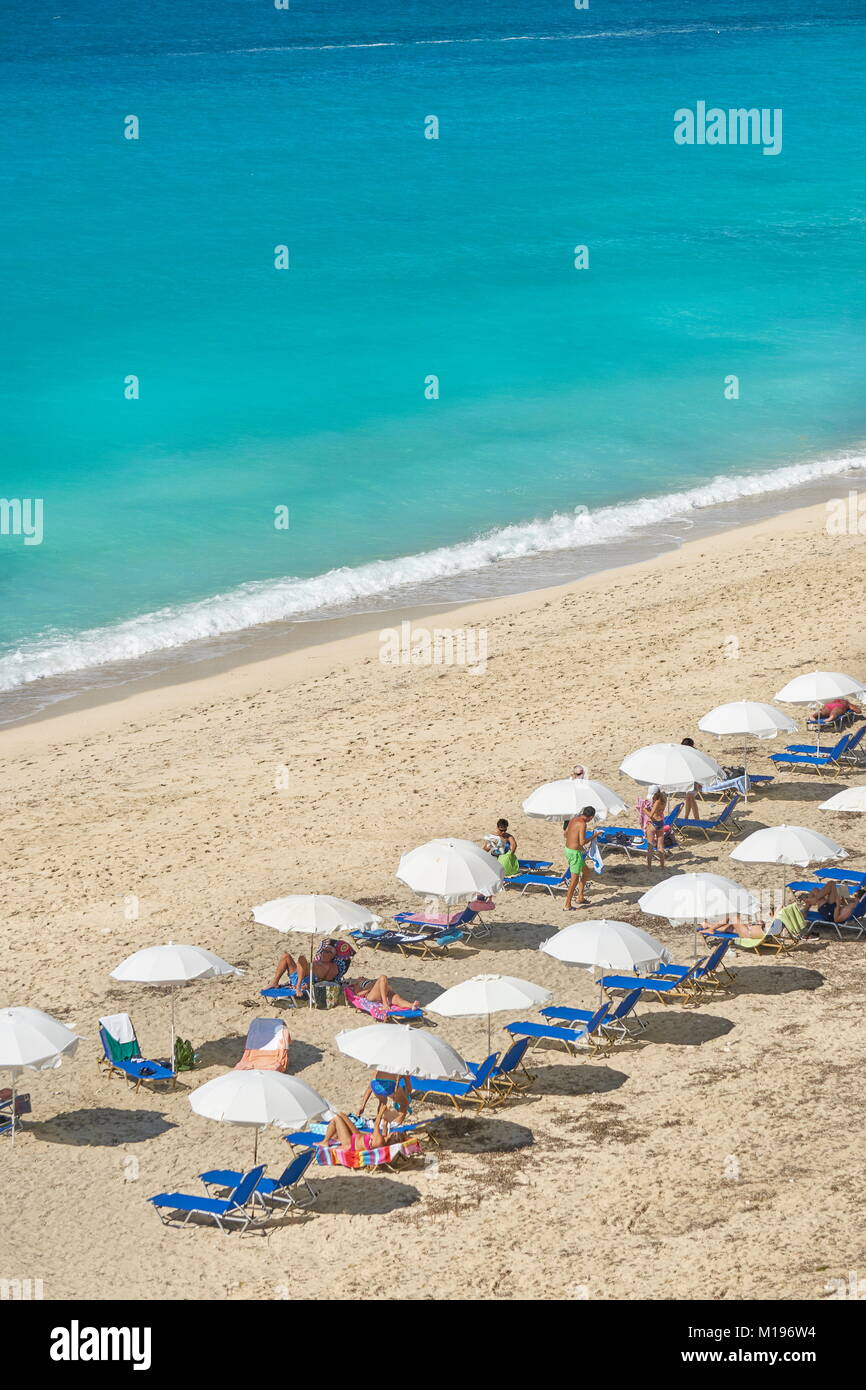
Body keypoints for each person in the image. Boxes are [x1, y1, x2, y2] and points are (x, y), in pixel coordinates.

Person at [269, 937, 355, 994]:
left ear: (333, 956)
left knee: (302, 958)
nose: (324, 953)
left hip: (306, 980)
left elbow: (326, 982)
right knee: (286, 956)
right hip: (296, 974)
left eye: (328, 952)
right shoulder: (316, 960)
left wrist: (310, 985)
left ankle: (298, 986)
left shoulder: (332, 967)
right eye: (324, 951)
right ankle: (274, 982)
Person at [564, 805, 595, 910]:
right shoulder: (583, 824)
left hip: (568, 850)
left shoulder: (574, 819)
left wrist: (574, 838)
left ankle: (580, 897)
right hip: (574, 853)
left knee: (586, 872)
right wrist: (595, 836)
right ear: (590, 817)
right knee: (574, 881)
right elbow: (582, 841)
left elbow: (565, 833)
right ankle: (567, 905)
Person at [323, 1110, 391, 1152]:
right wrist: (385, 1124)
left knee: (337, 1118)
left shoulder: (380, 1140)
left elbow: (376, 1124)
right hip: (356, 1135)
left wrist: (381, 1111)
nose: (393, 1133)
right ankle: (335, 1135)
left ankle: (325, 1141)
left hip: (350, 1143)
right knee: (341, 1114)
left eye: (395, 1134)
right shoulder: (383, 1138)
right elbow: (384, 1131)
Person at [345, 974, 420, 1010]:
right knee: (383, 977)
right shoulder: (358, 984)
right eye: (359, 977)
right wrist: (369, 987)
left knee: (397, 999)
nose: (361, 976)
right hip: (372, 995)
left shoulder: (370, 981)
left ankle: (412, 1005)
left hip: (384, 992)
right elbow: (358, 994)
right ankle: (385, 1003)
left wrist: (374, 983)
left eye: (362, 976)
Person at [644, 784, 668, 870]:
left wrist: (644, 809)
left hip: (653, 824)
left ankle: (649, 867)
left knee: (650, 846)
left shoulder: (657, 802)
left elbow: (651, 815)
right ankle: (662, 866)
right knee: (660, 847)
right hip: (661, 823)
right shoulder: (664, 799)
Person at [680, 739, 702, 820]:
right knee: (688, 798)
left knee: (690, 797)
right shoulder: (688, 753)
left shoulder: (692, 754)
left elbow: (697, 768)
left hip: (694, 779)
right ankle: (686, 817)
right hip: (690, 779)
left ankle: (697, 819)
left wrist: (698, 782)